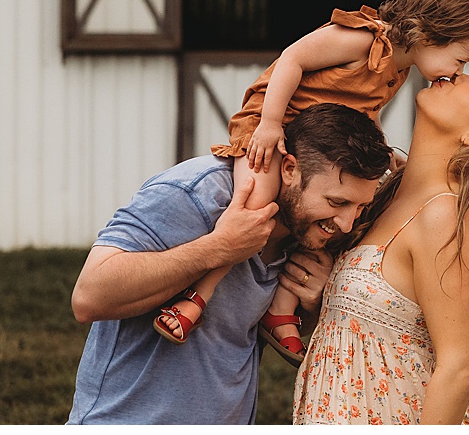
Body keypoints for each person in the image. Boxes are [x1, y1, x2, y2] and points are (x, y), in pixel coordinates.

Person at [153, 0, 469, 366]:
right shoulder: (362, 39)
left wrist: (382, 152)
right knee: (260, 204)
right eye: (460, 61)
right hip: (276, 125)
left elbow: (362, 111)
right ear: (430, 31)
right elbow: (292, 59)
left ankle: (280, 310)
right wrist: (267, 123)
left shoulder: (398, 71)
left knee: (334, 225)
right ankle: (197, 296)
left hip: (319, 144)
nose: (455, 74)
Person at [67, 103, 390, 425]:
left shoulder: (302, 231)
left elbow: (241, 328)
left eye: (360, 206)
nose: (347, 224)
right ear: (290, 169)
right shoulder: (196, 192)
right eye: (337, 202)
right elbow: (90, 298)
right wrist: (219, 248)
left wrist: (311, 305)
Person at [294, 70, 469, 424]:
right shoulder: (387, 193)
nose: (458, 74)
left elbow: (459, 366)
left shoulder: (447, 215)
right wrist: (325, 298)